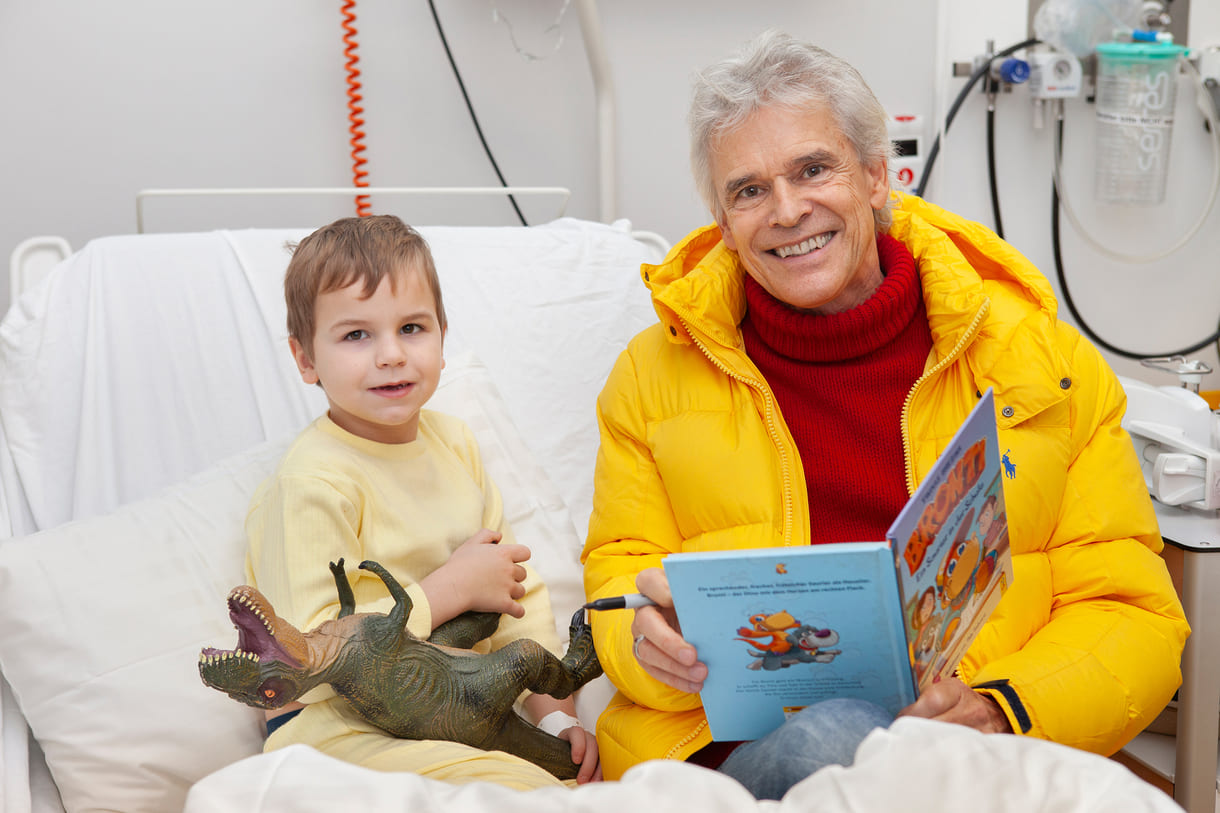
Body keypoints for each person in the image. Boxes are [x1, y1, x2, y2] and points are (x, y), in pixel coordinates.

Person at [580, 30, 1188, 798]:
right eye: (749, 190)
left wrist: (1003, 710)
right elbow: (617, 578)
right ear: (722, 218)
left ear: (875, 176)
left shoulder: (1040, 361)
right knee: (844, 737)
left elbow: (1131, 613)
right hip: (732, 759)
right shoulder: (650, 377)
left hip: (965, 747)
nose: (788, 210)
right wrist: (643, 642)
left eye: (812, 169)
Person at [245, 214, 600, 787]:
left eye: (412, 327)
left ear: (441, 335)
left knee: (565, 782)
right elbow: (310, 652)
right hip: (340, 733)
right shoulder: (314, 482)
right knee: (517, 793)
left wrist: (554, 713)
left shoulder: (455, 444)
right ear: (306, 359)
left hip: (459, 714)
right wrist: (447, 591)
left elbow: (514, 593)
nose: (391, 354)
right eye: (356, 335)